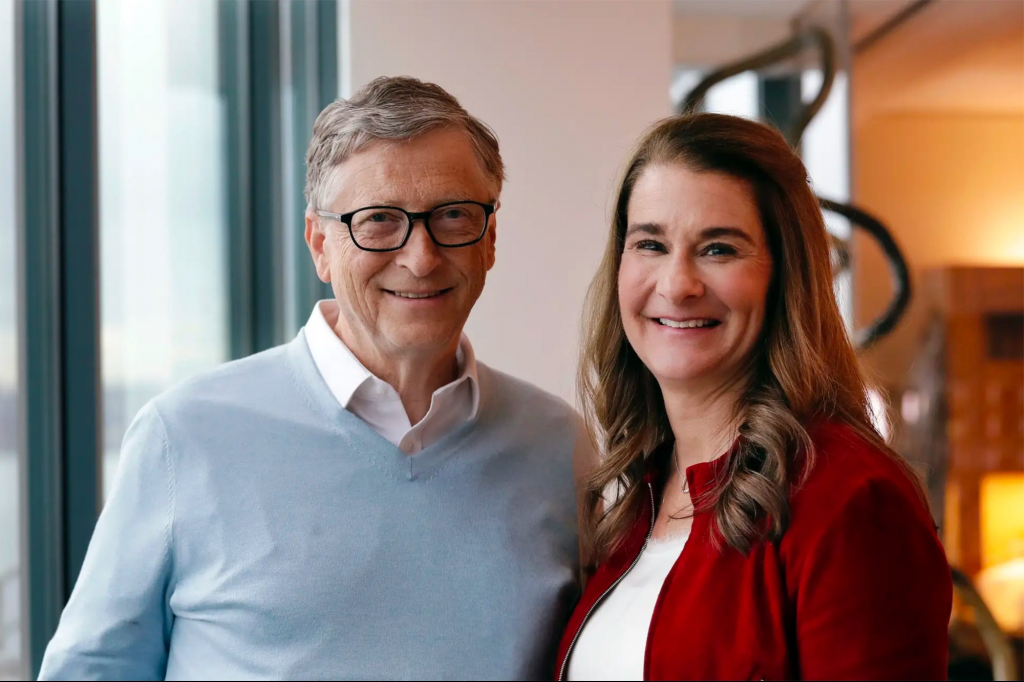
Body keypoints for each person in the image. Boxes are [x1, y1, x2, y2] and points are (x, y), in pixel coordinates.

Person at [40, 76, 593, 680]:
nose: (420, 257)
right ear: (319, 244)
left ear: (489, 240)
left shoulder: (557, 445)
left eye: (453, 215)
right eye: (378, 220)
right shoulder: (184, 436)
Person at [556, 113, 952, 681]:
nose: (677, 284)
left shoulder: (852, 500)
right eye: (650, 244)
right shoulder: (634, 497)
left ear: (785, 276)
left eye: (719, 249)